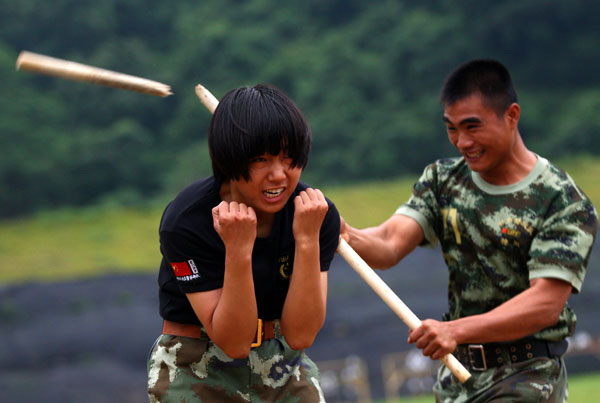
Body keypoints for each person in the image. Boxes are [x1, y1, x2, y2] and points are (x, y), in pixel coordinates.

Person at [341, 59, 598, 401]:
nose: (461, 142)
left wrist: (455, 330)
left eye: (472, 127)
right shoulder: (443, 181)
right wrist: (341, 232)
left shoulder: (562, 200)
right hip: (457, 377)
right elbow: (389, 242)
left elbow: (546, 303)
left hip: (528, 378)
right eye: (451, 128)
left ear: (512, 116)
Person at [147, 83, 340, 402]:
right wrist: (238, 248)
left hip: (283, 364)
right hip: (196, 364)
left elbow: (302, 334)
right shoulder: (187, 221)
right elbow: (233, 342)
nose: (279, 175)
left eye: (289, 157)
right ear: (229, 160)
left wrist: (306, 240)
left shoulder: (315, 216)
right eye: (261, 160)